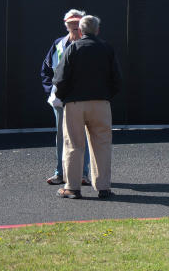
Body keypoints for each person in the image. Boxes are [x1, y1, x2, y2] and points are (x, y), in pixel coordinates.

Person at [52, 15, 121, 199]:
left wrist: (63, 97)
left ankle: (73, 188)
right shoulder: (106, 48)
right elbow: (117, 80)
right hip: (101, 103)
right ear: (97, 30)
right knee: (102, 145)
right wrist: (105, 97)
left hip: (75, 103)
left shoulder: (73, 48)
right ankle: (103, 188)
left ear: (80, 31)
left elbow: (59, 79)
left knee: (73, 145)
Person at [39, 9, 90, 186]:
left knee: (81, 136)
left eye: (77, 23)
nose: (74, 26)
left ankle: (83, 174)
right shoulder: (58, 43)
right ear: (66, 24)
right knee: (61, 136)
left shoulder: (89, 44)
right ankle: (60, 173)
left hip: (82, 99)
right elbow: (46, 69)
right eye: (71, 23)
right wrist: (51, 91)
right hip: (60, 100)